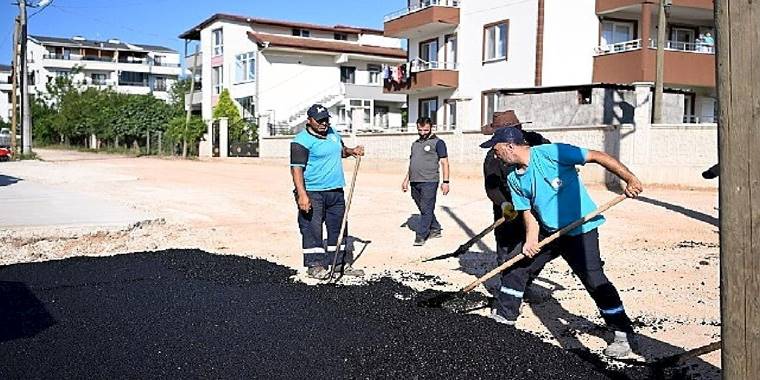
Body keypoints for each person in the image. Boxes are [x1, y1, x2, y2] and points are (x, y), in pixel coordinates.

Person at [480, 127, 644, 358]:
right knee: (516, 266)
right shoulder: (514, 178)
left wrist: (629, 178)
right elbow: (528, 213)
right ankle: (504, 319)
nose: (495, 157)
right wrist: (529, 240)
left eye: (496, 151)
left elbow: (598, 156)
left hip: (581, 229)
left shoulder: (551, 153)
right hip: (550, 232)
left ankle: (623, 334)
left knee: (594, 280)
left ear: (509, 146)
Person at [482, 111, 555, 327]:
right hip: (509, 208)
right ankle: (507, 294)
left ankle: (524, 286)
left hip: (537, 207)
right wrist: (506, 206)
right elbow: (492, 187)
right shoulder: (493, 156)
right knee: (507, 251)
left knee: (533, 249)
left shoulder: (538, 142)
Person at [290, 104, 365, 279]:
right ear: (309, 120)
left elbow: (341, 151)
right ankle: (315, 266)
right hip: (313, 192)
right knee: (312, 229)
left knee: (339, 229)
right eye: (320, 120)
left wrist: (351, 151)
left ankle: (338, 264)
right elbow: (296, 169)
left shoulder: (333, 134)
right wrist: (302, 194)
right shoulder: (301, 141)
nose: (324, 123)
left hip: (336, 191)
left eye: (326, 119)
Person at [402, 117, 450, 246]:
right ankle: (435, 228)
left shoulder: (438, 143)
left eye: (425, 130)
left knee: (426, 207)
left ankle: (421, 235)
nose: (422, 132)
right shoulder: (415, 144)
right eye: (420, 129)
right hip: (414, 180)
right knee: (424, 207)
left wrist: (446, 182)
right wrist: (406, 180)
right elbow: (412, 163)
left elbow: (445, 162)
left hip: (430, 181)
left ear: (431, 128)